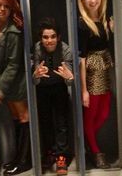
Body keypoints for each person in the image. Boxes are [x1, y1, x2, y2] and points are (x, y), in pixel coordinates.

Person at [0, 0, 31, 175]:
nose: (2, 9)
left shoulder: (13, 32)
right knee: (15, 120)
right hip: (2, 83)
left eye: (6, 6)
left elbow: (14, 64)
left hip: (14, 85)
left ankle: (24, 161)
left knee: (23, 118)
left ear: (12, 8)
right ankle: (17, 158)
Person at [77, 0, 113, 169]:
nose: (93, 0)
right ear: (82, 0)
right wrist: (84, 90)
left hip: (106, 69)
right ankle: (95, 151)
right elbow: (81, 59)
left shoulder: (106, 19)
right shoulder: (83, 24)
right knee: (91, 115)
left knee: (104, 113)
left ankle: (85, 142)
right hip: (92, 72)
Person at [32, 17, 73, 175]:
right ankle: (50, 154)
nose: (49, 40)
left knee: (61, 124)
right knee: (45, 123)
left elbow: (69, 83)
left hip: (59, 88)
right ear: (41, 38)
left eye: (52, 36)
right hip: (42, 89)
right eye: (45, 37)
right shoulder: (37, 49)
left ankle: (61, 157)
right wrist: (35, 75)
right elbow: (35, 81)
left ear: (58, 37)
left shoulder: (65, 50)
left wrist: (69, 78)